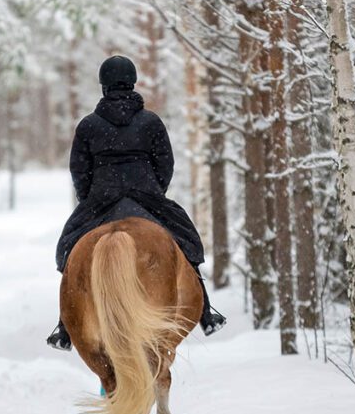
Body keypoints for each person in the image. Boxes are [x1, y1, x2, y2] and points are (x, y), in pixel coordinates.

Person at [47, 55, 227, 351]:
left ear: (103, 85)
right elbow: (165, 165)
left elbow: (79, 171)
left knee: (67, 250)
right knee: (188, 242)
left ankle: (65, 327)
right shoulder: (151, 122)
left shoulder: (89, 125)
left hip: (101, 198)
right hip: (147, 196)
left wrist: (91, 198)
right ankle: (206, 312)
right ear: (133, 82)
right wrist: (153, 192)